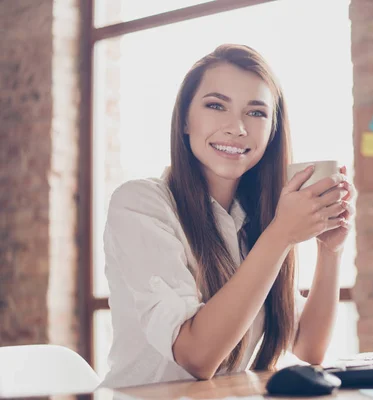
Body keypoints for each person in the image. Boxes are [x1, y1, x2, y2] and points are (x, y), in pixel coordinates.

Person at [101, 44, 356, 389]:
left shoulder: (256, 218)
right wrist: (281, 234)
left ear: (273, 131)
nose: (236, 128)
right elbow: (196, 357)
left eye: (256, 113)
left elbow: (310, 348)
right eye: (216, 105)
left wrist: (330, 249)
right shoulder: (140, 204)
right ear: (185, 120)